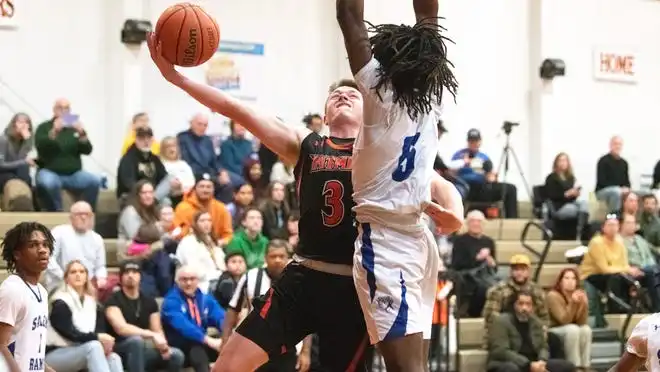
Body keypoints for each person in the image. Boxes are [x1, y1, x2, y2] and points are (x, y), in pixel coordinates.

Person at [148, 32, 369, 371]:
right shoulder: (305, 143)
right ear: (323, 116)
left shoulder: (379, 150)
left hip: (352, 286)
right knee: (227, 366)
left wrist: (451, 211)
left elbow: (436, 182)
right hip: (303, 279)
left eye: (352, 94)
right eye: (335, 95)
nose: (342, 95)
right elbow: (236, 108)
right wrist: (175, 77)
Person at [336, 0, 464, 370]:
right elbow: (427, 15)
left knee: (410, 367)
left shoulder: (378, 90)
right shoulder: (433, 96)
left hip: (403, 241)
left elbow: (350, 18)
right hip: (399, 241)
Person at [0, 222, 56, 372]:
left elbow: (27, 349)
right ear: (17, 254)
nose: (42, 250)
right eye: (33, 245)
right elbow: (1, 344)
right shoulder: (12, 289)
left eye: (45, 245)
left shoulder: (42, 292)